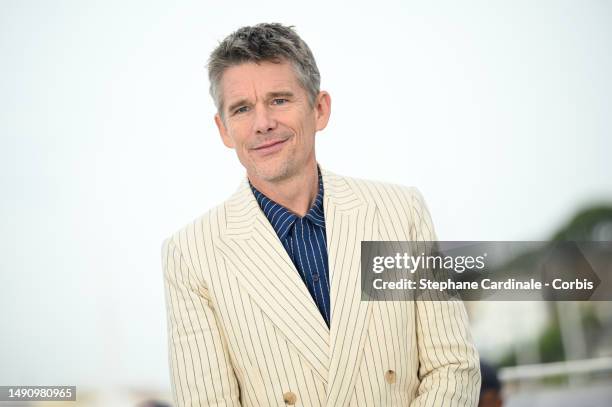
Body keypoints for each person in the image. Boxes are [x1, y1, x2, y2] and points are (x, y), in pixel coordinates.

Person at [162, 22, 481, 407]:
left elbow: (453, 366)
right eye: (242, 108)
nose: (263, 123)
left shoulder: (398, 212)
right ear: (224, 129)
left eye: (279, 100)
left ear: (319, 108)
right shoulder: (191, 254)